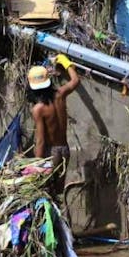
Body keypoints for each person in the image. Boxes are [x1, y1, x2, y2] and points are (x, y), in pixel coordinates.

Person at [28, 54, 80, 198]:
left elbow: (40, 140)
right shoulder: (60, 94)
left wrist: (36, 165)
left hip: (51, 153)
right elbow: (75, 80)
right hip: (65, 150)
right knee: (58, 193)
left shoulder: (38, 109)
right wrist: (66, 63)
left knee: (45, 194)